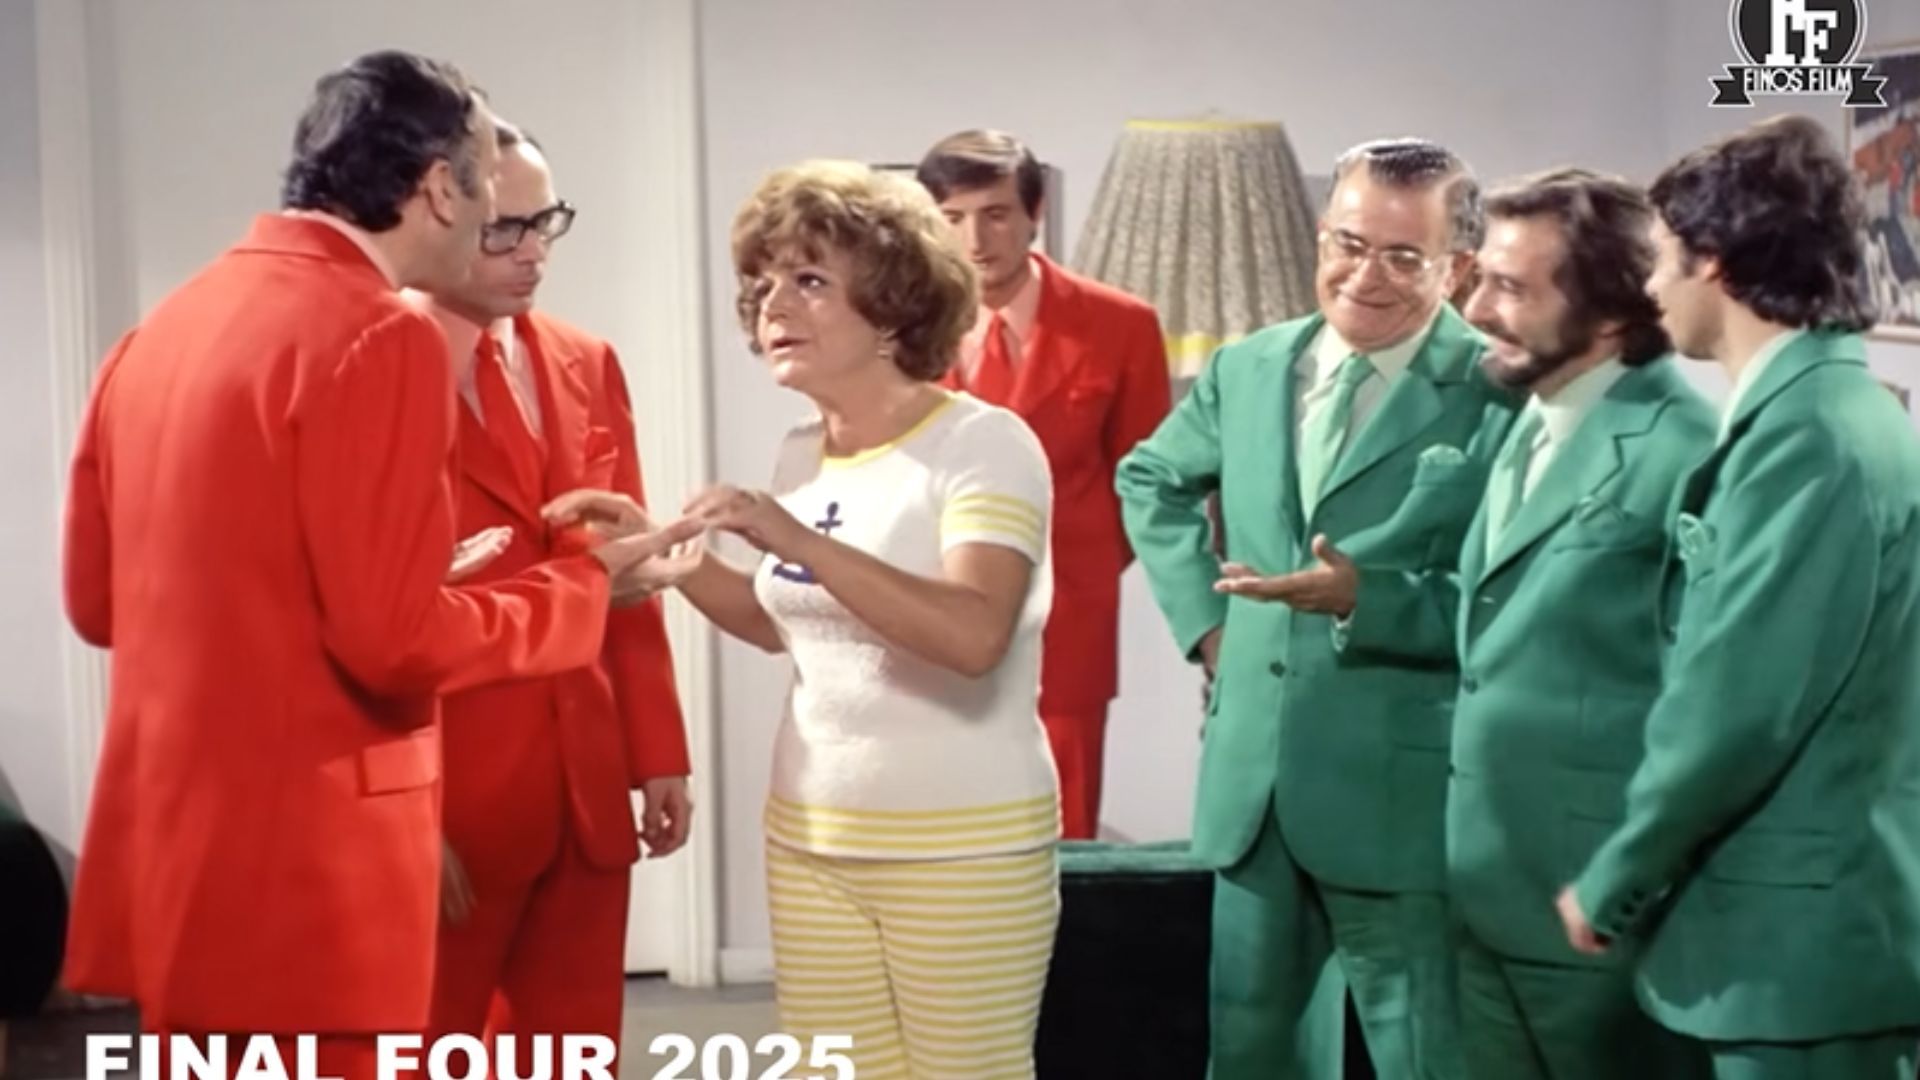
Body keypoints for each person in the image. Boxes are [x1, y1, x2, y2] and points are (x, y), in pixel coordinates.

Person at [59, 51, 693, 1076]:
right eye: (488, 199)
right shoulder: (373, 334)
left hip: (187, 861)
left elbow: (98, 605)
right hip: (323, 870)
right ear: (441, 189)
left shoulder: (160, 332)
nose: (506, 232)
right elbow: (392, 640)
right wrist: (583, 588)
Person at [552, 159, 1058, 1080]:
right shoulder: (800, 454)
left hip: (963, 847)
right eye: (763, 284)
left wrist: (793, 537)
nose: (772, 305)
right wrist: (673, 559)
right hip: (811, 838)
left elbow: (973, 636)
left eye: (810, 280)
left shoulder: (984, 444)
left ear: (894, 307)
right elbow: (788, 622)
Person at [1118, 138, 1513, 1079]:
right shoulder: (1250, 367)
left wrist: (1371, 601)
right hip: (1253, 791)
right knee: (1252, 1059)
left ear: (1458, 269)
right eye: (1348, 243)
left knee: (1429, 1059)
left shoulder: (1501, 391)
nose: (1364, 276)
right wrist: (1209, 629)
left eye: (1402, 257)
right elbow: (1150, 478)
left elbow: (1512, 599)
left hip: (1403, 798)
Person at [1559, 115, 1920, 1080]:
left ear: (1713, 260)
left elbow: (1738, 703)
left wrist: (1615, 877)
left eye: (1662, 257)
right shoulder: (1828, 413)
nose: (1650, 285)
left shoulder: (1810, 439)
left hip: (1800, 946)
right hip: (1806, 929)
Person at [411, 122, 694, 1069]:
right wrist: (403, 817)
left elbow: (630, 564)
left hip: (588, 781)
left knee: (576, 1051)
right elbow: (358, 620)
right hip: (455, 797)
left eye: (547, 223)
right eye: (506, 229)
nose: (533, 251)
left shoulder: (584, 359)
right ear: (441, 214)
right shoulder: (369, 367)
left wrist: (658, 750)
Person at [1443, 168, 1715, 1080]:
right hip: (1485, 896)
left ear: (1607, 317)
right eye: (1481, 278)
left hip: (1599, 919)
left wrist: (1624, 885)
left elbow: (1714, 706)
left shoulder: (1687, 450)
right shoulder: (1530, 413)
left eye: (1510, 288)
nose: (1476, 309)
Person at [915, 130, 1171, 839]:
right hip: (927, 615)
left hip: (1068, 619)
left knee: (1062, 830)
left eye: (995, 214)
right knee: (941, 831)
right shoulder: (898, 326)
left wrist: (1081, 565)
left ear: (1034, 213)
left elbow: (1145, 483)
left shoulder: (1121, 325)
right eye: (952, 217)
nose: (975, 239)